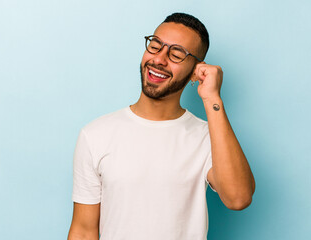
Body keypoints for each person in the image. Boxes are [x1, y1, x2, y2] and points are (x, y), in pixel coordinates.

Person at [67, 12, 255, 240]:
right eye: (155, 46)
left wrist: (212, 98)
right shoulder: (95, 134)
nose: (159, 59)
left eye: (176, 54)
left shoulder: (210, 136)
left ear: (197, 69)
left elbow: (238, 198)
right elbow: (84, 230)